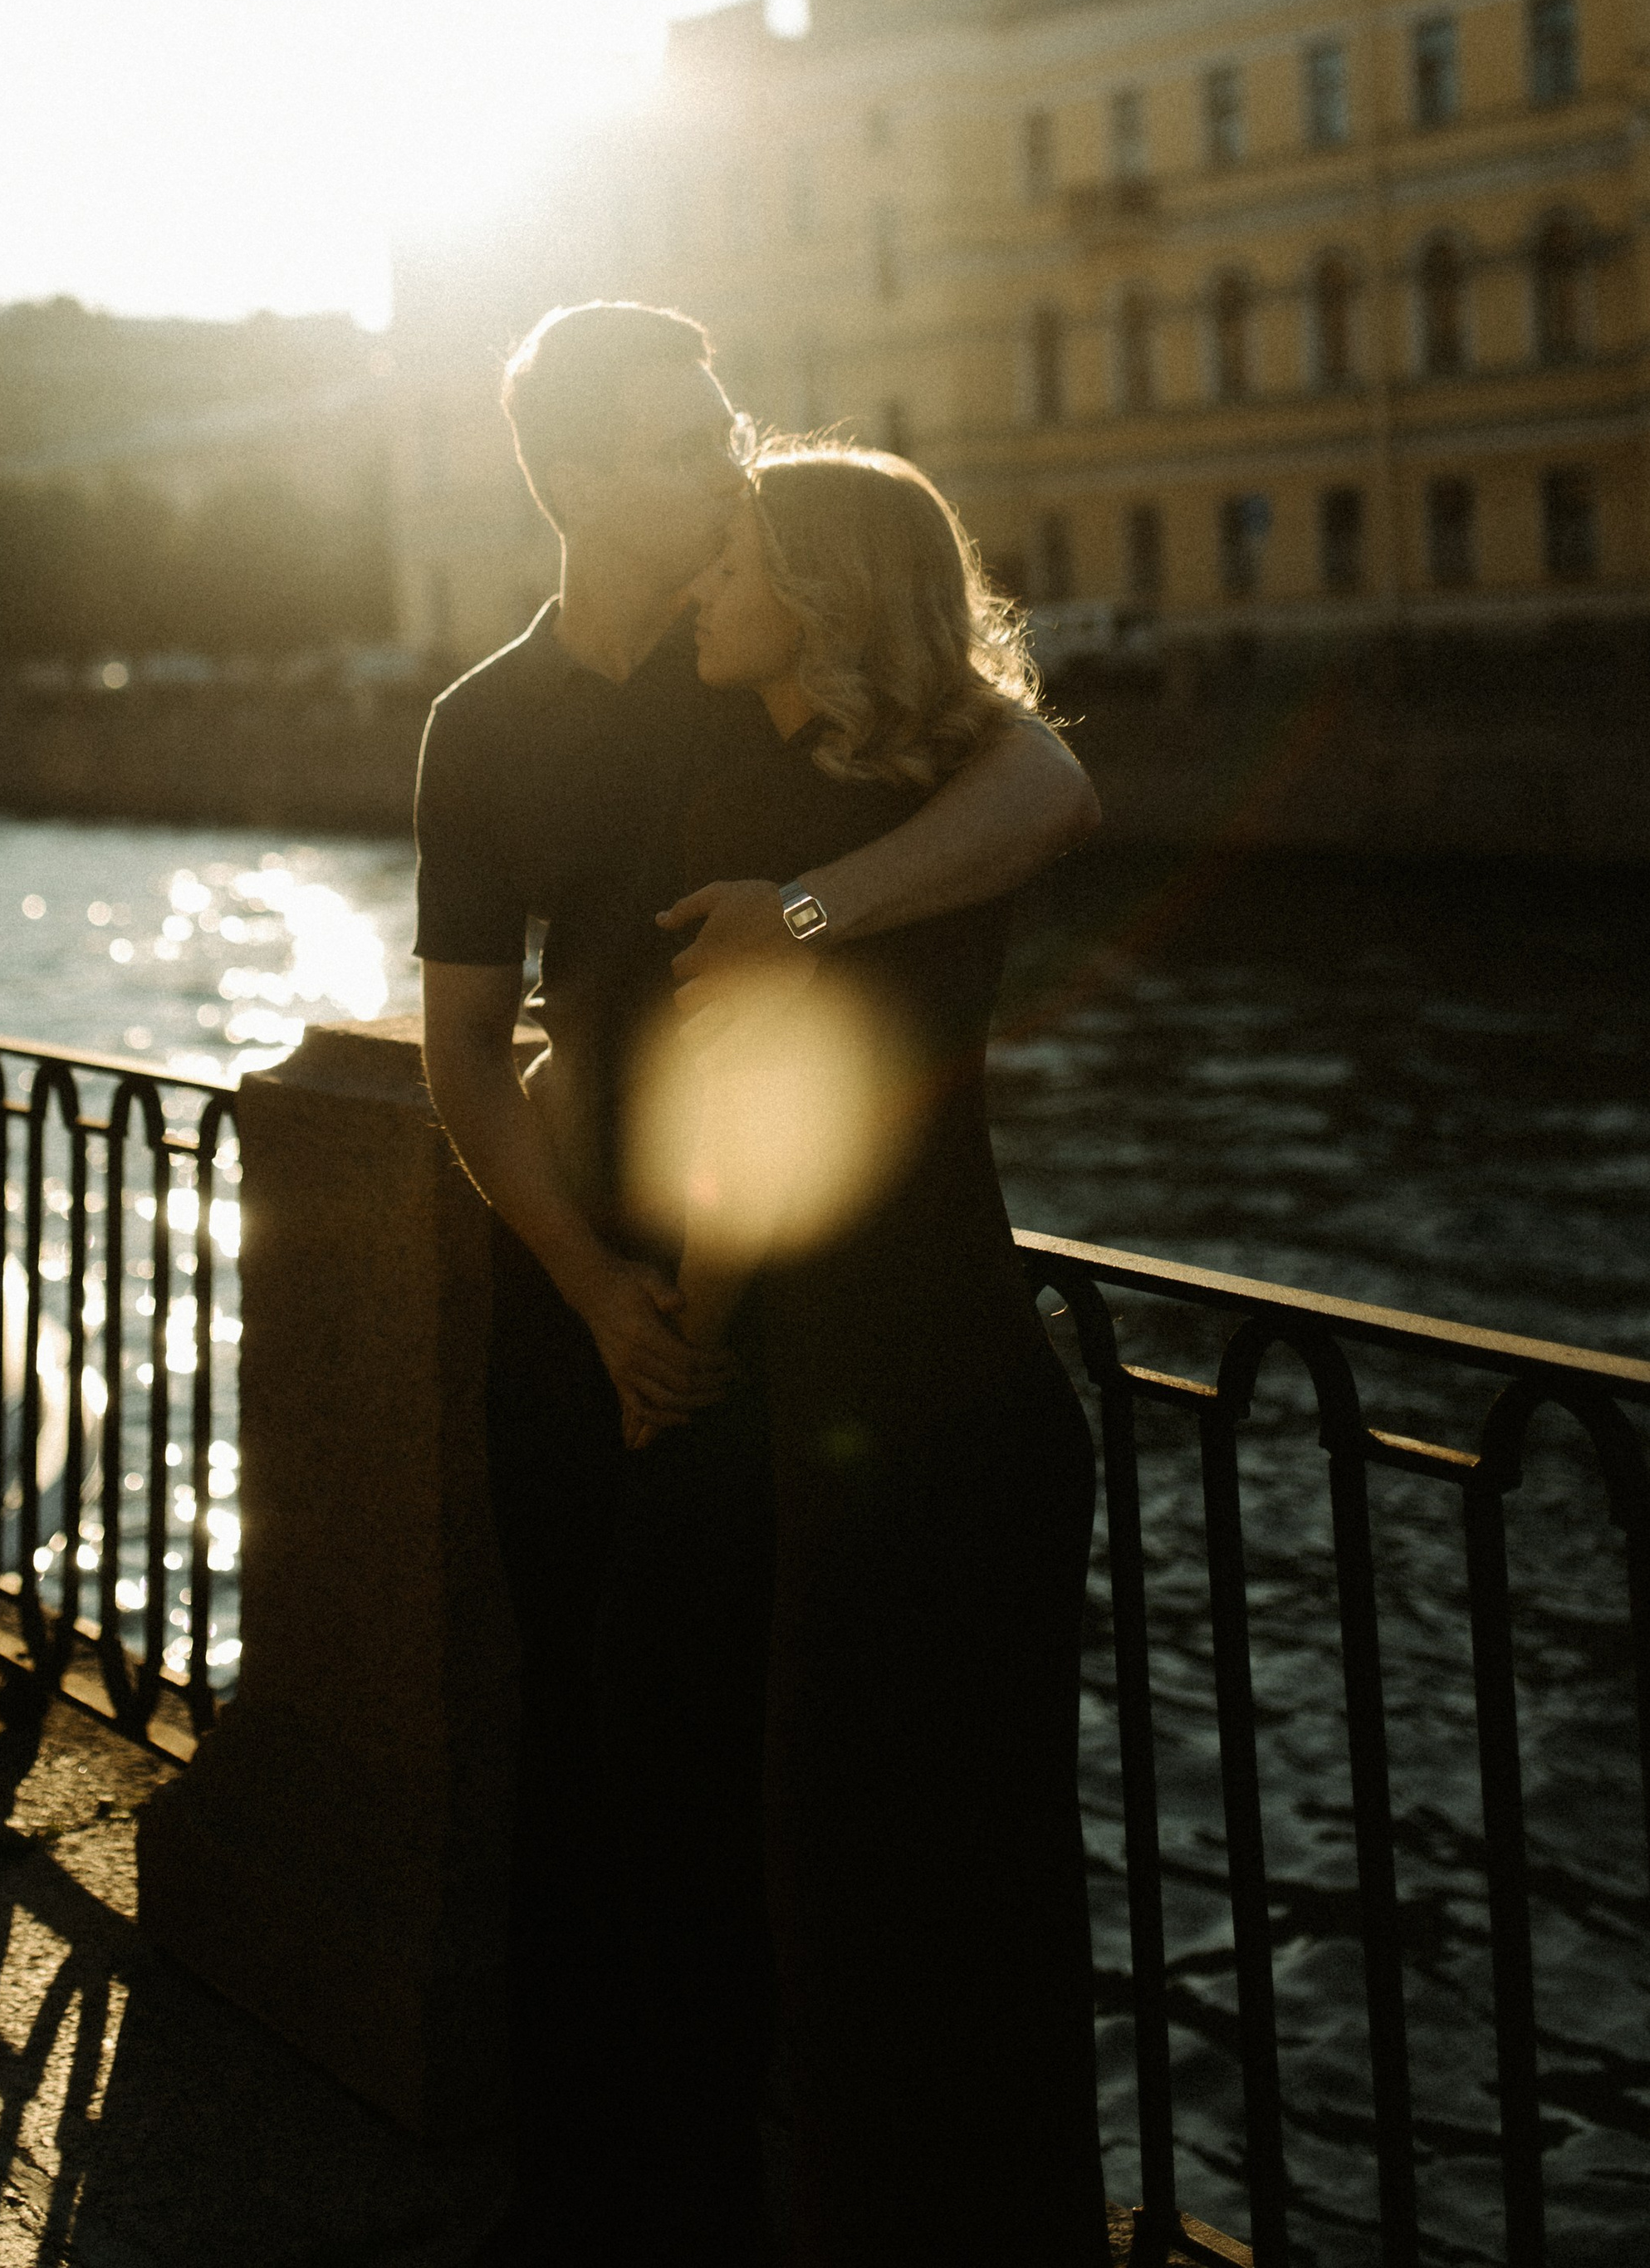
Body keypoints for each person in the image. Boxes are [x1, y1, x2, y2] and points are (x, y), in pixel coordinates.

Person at [414, 301, 1100, 2262]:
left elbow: (1042, 789)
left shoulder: (764, 646)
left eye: (720, 429)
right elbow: (463, 1057)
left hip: (770, 1330)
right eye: (671, 444)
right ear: (570, 480)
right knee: (589, 1776)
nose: (719, 468)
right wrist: (590, 1293)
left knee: (765, 1791)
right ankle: (599, 2208)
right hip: (591, 1319)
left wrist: (812, 912)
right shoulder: (488, 722)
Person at [610, 442, 1107, 2266]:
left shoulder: (749, 821)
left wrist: (684, 1329)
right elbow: (1047, 773)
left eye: (734, 559)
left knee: (841, 1902)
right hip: (992, 1394)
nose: (701, 588)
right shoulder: (940, 787)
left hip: (861, 1419)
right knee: (1000, 1898)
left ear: (816, 598)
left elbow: (751, 1145)